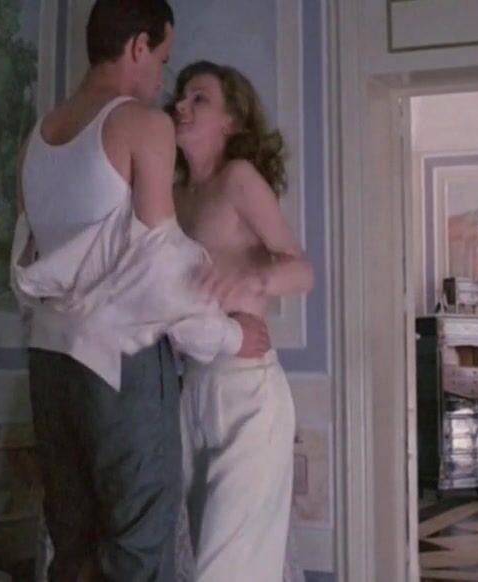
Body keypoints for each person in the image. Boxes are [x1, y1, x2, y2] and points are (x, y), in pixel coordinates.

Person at [10, 2, 270, 580]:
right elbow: (160, 268)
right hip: (117, 362)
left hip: (48, 362)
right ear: (136, 47)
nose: (162, 79)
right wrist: (231, 337)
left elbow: (28, 257)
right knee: (138, 550)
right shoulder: (141, 125)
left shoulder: (38, 137)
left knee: (71, 547)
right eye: (162, 58)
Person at [165, 61, 314, 581]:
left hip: (247, 390)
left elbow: (302, 269)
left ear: (231, 120)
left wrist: (252, 279)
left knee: (228, 570)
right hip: (190, 389)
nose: (181, 106)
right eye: (180, 96)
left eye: (199, 98)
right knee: (196, 559)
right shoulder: (172, 194)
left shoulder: (238, 179)